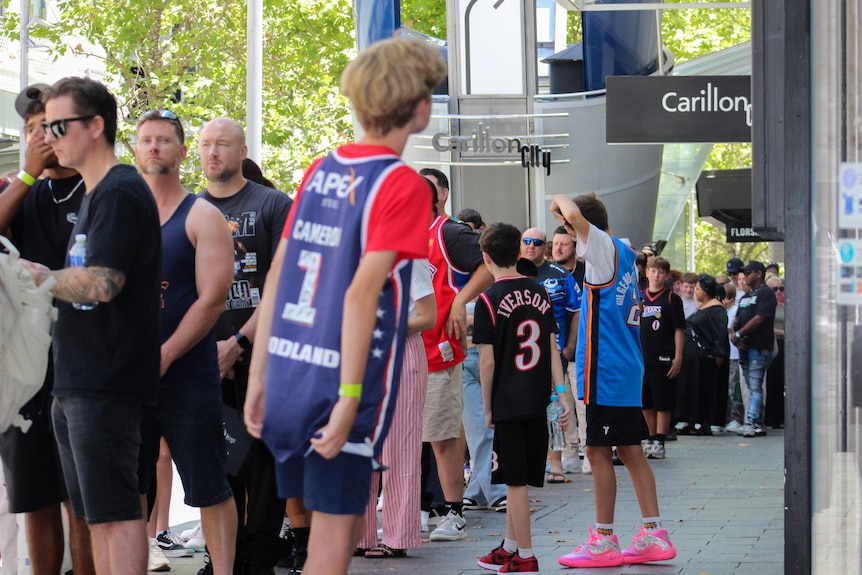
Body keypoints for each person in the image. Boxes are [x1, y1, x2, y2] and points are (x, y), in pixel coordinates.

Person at [244, 37, 447, 575]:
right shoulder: (402, 184)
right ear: (421, 109)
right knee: (334, 546)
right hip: (344, 384)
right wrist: (349, 398)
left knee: (324, 538)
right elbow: (362, 292)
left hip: (291, 372)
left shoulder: (323, 167)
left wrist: (260, 375)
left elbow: (279, 272)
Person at [22, 77, 162, 575]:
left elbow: (104, 283)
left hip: (107, 382)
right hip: (78, 381)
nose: (48, 137)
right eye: (44, 127)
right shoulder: (97, 192)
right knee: (95, 517)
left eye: (59, 126)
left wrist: (38, 278)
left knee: (115, 516)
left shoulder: (120, 191)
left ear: (96, 125)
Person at [133, 109, 238, 575]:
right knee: (129, 487)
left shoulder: (203, 216)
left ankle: (223, 570)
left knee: (210, 487)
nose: (154, 147)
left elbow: (212, 300)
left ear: (180, 151)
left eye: (164, 140)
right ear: (136, 150)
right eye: (146, 140)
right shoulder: (122, 215)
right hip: (129, 381)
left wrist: (166, 354)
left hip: (189, 380)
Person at [550, 193, 676, 568]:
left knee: (598, 452)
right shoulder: (622, 250)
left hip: (607, 369)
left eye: (569, 230)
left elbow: (572, 213)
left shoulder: (603, 248)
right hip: (622, 365)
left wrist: (561, 199)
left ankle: (604, 540)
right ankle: (653, 532)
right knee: (630, 451)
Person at [0, 83, 95, 575]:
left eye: (50, 126)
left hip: (84, 361)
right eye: (31, 129)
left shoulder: (100, 188)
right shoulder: (18, 189)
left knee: (81, 496)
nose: (40, 136)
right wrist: (27, 175)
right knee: (33, 493)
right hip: (25, 368)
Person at [198, 117, 294, 575]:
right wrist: (210, 348)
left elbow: (286, 283)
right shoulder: (191, 209)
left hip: (266, 356)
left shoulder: (273, 204)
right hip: (206, 359)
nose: (213, 151)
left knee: (266, 461)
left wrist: (238, 342)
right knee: (219, 461)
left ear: (242, 151)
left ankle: (260, 557)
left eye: (222, 143)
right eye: (205, 144)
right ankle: (224, 557)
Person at [472, 222, 568, 574]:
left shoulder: (487, 299)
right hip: (538, 395)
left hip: (508, 399)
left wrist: (487, 406)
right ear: (518, 252)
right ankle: (510, 546)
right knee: (518, 477)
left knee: (514, 482)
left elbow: (487, 361)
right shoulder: (540, 292)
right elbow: (552, 348)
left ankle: (525, 554)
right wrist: (562, 393)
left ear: (485, 257)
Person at [419, 168, 495, 541]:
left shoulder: (447, 232)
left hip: (438, 348)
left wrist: (459, 301)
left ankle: (454, 511)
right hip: (405, 350)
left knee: (441, 434)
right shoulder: (398, 236)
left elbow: (490, 265)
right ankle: (413, 509)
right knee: (406, 437)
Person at [520, 227, 580, 481]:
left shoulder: (561, 275)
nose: (531, 245)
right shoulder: (512, 273)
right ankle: (528, 463)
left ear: (545, 247)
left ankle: (556, 464)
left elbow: (576, 311)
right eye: (526, 241)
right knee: (525, 408)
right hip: (521, 355)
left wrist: (570, 346)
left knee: (552, 406)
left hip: (553, 353)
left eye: (536, 242)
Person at [639, 257, 685, 459]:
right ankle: (650, 437)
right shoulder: (640, 298)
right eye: (653, 271)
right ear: (647, 272)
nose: (656, 275)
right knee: (646, 402)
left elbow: (679, 329)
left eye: (660, 272)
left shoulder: (671, 299)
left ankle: (660, 440)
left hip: (663, 357)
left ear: (666, 276)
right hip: (643, 358)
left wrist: (678, 356)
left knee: (663, 402)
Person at [731, 261, 777, 438]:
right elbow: (736, 319)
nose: (744, 277)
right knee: (752, 387)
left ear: (758, 273)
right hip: (744, 347)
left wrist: (739, 334)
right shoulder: (745, 297)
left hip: (759, 347)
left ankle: (749, 422)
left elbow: (759, 318)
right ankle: (758, 422)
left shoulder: (766, 293)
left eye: (748, 273)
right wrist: (735, 337)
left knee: (756, 386)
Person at [683, 274, 730, 435]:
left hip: (710, 357)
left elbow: (720, 333)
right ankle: (694, 420)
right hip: (698, 357)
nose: (695, 292)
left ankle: (706, 422)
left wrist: (720, 354)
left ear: (705, 291)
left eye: (697, 289)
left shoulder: (716, 309)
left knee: (709, 390)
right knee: (698, 390)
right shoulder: (703, 307)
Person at [764, 275, 785, 429]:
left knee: (779, 381)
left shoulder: (782, 306)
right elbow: (764, 325)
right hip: (771, 343)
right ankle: (768, 417)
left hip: (783, 345)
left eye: (781, 288)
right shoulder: (765, 305)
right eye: (774, 289)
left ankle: (778, 418)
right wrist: (782, 332)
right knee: (769, 381)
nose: (778, 292)